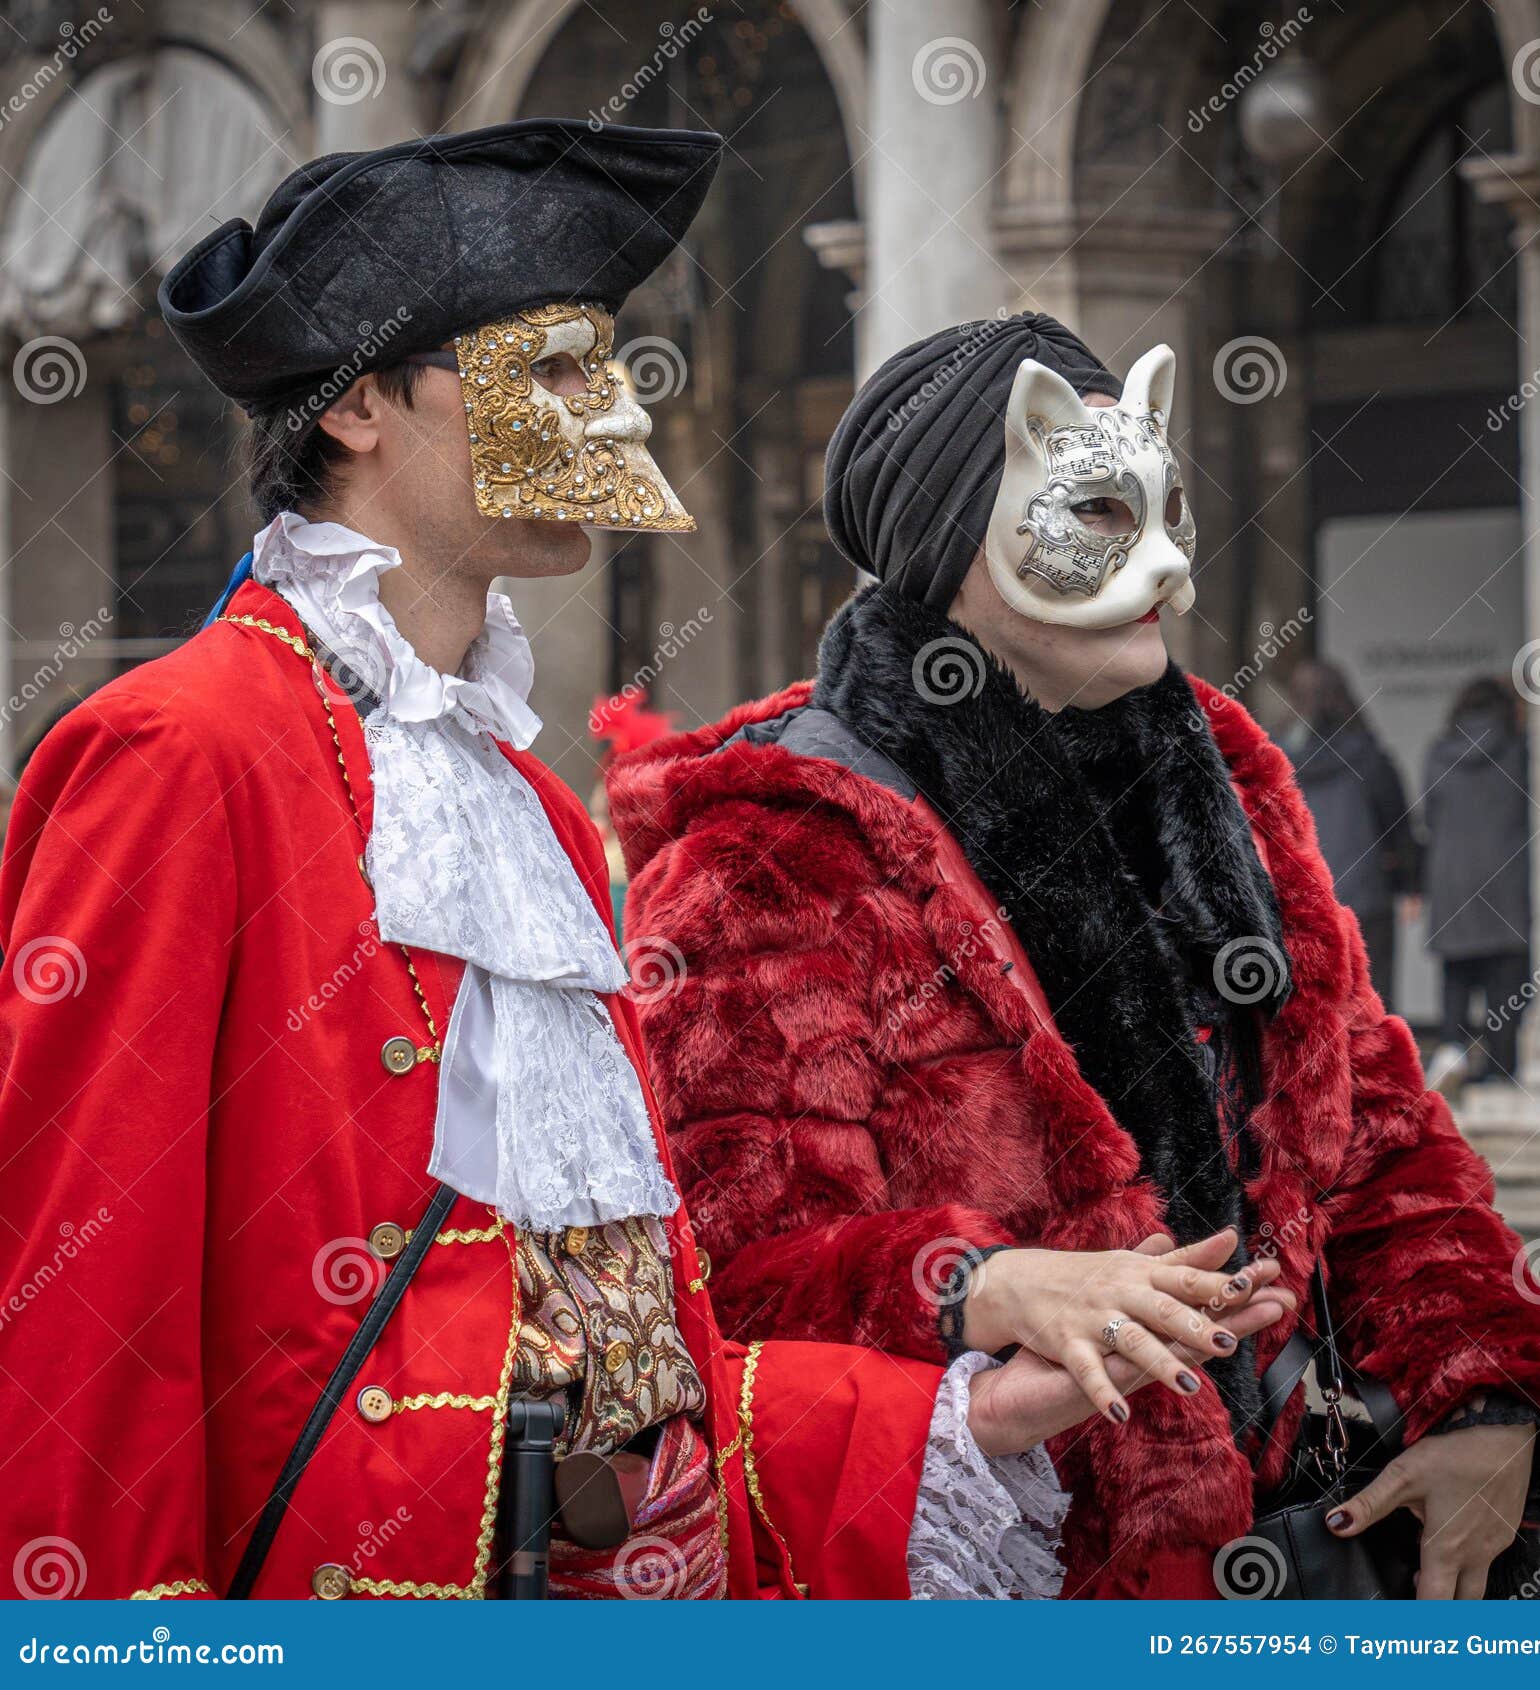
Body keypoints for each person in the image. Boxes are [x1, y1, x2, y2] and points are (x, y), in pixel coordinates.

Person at [0, 126, 1289, 1604]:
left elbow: (631, 1350)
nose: (609, 412)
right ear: (358, 402)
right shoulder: (183, 747)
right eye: (549, 368)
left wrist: (956, 1413)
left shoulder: (541, 819)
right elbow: (80, 1313)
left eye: (604, 368)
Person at [609, 313, 1540, 1599]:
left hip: (1304, 1552)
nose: (1173, 571)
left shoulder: (1224, 791)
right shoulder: (768, 850)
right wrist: (986, 1285)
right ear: (954, 539)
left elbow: (1379, 1138)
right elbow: (728, 1275)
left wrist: (1485, 1399)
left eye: (1169, 511)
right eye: (1099, 515)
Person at [1282, 660, 1420, 1006]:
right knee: (1370, 1006)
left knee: (1309, 1008)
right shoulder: (1368, 756)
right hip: (1366, 897)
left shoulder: (1276, 759)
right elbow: (1397, 823)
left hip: (1299, 903)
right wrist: (1409, 884)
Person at [1420, 676, 1532, 1089]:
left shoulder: (1438, 752)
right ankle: (1500, 1068)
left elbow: (1429, 816)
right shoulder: (1521, 752)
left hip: (1453, 880)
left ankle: (1452, 1048)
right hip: (1506, 880)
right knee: (1505, 978)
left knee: (1457, 970)